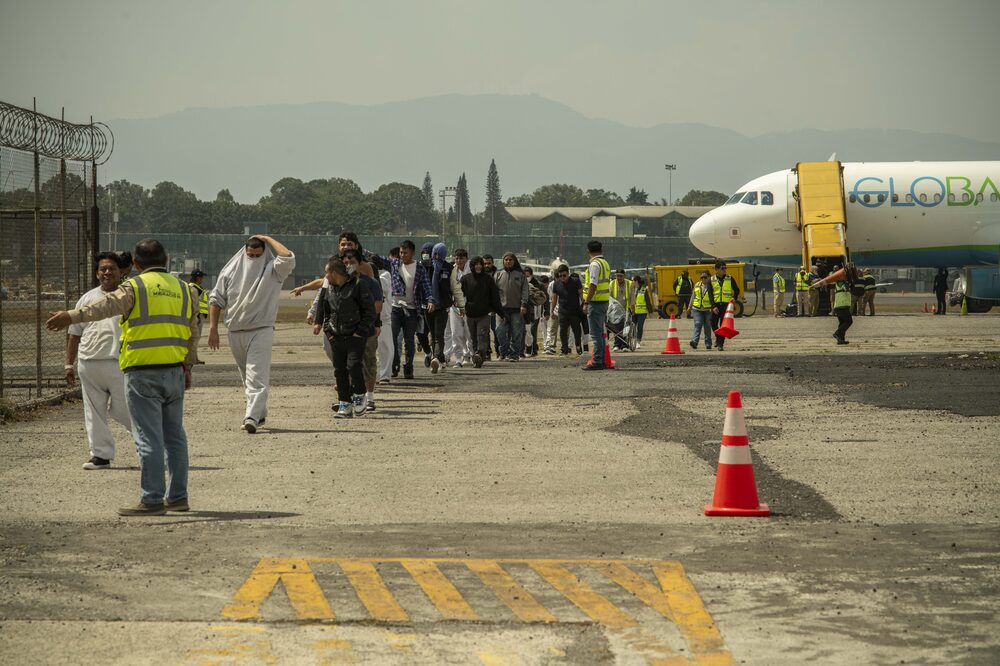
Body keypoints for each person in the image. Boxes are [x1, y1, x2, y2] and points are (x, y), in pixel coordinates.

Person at [46, 239, 198, 516]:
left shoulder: (135, 287)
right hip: (174, 371)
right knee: (175, 437)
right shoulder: (186, 289)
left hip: (142, 372)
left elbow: (102, 308)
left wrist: (69, 315)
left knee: (148, 438)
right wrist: (187, 367)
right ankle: (178, 497)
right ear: (167, 261)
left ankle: (152, 499)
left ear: (136, 265)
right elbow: (193, 331)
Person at [208, 235, 295, 434]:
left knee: (256, 374)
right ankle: (259, 412)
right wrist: (213, 329)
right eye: (251, 255)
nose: (254, 258)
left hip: (261, 329)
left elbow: (287, 256)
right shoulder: (230, 270)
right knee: (246, 376)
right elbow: (216, 300)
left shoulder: (273, 270)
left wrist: (266, 238)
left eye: (258, 254)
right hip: (235, 330)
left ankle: (251, 417)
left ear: (264, 253)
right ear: (244, 252)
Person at [64, 251, 134, 470]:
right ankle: (101, 456)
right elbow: (74, 333)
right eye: (102, 269)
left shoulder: (129, 296)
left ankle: (151, 446)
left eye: (111, 268)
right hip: (89, 362)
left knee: (126, 410)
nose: (107, 272)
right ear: (97, 274)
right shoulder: (87, 298)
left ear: (121, 271)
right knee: (93, 412)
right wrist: (69, 363)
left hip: (120, 363)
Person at [315, 257, 376, 418]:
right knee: (339, 371)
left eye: (327, 273)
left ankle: (360, 397)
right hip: (336, 337)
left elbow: (369, 312)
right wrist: (329, 332)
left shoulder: (358, 285)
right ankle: (344, 404)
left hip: (355, 336)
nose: (325, 276)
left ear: (334, 273)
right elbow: (326, 312)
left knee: (354, 366)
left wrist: (360, 331)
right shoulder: (329, 289)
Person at [385, 240, 433, 379]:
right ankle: (394, 365)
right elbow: (378, 259)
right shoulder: (394, 264)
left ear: (412, 253)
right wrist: (358, 249)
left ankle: (408, 367)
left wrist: (430, 300)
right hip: (396, 308)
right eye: (401, 252)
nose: (402, 255)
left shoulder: (419, 268)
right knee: (393, 337)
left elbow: (427, 286)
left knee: (409, 340)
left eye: (405, 253)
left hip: (412, 309)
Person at [342, 249, 384, 410]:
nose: (348, 266)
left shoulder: (371, 282)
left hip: (367, 330)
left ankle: (370, 396)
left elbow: (378, 306)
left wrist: (366, 320)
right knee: (350, 363)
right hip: (347, 331)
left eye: (352, 262)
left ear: (360, 264)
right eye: (345, 263)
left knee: (369, 362)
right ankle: (351, 397)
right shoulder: (342, 283)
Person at [460, 256, 503, 368]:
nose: (478, 266)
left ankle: (480, 353)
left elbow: (495, 296)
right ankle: (476, 358)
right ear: (472, 266)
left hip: (484, 314)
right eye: (476, 264)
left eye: (480, 264)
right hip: (470, 313)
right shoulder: (465, 279)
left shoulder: (488, 279)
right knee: (473, 338)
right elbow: (459, 294)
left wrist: (499, 312)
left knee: (482, 335)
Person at [428, 242, 465, 373]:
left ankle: (436, 358)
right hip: (427, 306)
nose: (436, 256)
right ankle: (441, 359)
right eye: (435, 253)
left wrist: (461, 305)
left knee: (439, 334)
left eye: (439, 254)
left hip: (442, 306)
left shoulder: (449, 268)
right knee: (432, 334)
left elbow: (456, 288)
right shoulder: (426, 266)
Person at [581, 240, 612, 370]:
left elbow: (593, 285)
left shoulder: (594, 264)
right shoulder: (604, 263)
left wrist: (586, 302)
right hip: (604, 301)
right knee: (599, 333)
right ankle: (602, 360)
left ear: (588, 251)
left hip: (596, 302)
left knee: (595, 334)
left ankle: (598, 361)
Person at [494, 252, 529, 362]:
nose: (508, 261)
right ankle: (503, 352)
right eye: (506, 260)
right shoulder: (498, 274)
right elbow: (493, 292)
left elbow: (525, 291)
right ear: (503, 261)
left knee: (517, 333)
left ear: (514, 261)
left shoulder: (520, 274)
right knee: (499, 331)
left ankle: (514, 355)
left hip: (517, 309)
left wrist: (523, 305)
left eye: (510, 260)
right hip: (501, 310)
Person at [444, 249, 472, 367]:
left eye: (461, 258)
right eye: (457, 258)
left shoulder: (471, 270)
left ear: (466, 258)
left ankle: (469, 354)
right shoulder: (452, 270)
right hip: (454, 306)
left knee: (469, 333)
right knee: (456, 333)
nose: (459, 260)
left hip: (469, 305)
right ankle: (458, 358)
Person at [551, 265, 584, 355]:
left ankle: (578, 346)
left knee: (576, 330)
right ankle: (564, 349)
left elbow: (581, 294)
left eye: (564, 275)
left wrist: (585, 305)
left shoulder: (575, 281)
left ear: (568, 273)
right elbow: (554, 299)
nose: (562, 278)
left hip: (574, 311)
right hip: (563, 311)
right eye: (560, 276)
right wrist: (552, 311)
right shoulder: (556, 284)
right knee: (563, 331)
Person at [709, 261, 741, 351]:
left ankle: (720, 344)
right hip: (715, 305)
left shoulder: (730, 278)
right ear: (716, 269)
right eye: (723, 268)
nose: (725, 270)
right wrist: (713, 306)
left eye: (725, 268)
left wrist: (734, 297)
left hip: (726, 306)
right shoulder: (711, 280)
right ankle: (718, 336)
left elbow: (737, 290)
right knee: (713, 323)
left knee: (723, 326)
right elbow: (710, 295)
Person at [687, 270, 716, 349]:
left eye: (705, 277)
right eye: (701, 277)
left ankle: (708, 344)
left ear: (709, 277)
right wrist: (689, 308)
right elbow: (693, 296)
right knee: (698, 324)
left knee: (707, 326)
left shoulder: (712, 286)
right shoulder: (697, 285)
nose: (703, 279)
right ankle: (694, 342)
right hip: (697, 309)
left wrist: (714, 307)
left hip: (708, 310)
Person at [189, 268, 209, 364]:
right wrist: (196, 316)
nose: (202, 279)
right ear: (197, 278)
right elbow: (194, 304)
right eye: (201, 277)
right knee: (195, 338)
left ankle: (194, 358)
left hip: (199, 316)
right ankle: (193, 359)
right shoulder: (194, 288)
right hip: (198, 316)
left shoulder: (196, 287)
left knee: (195, 338)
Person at [828, 266, 853, 344]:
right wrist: (848, 282)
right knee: (849, 321)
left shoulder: (839, 283)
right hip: (842, 305)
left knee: (842, 323)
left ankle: (840, 339)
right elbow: (847, 289)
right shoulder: (841, 283)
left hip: (839, 305)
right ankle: (837, 333)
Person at [610, 269, 631, 351]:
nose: (619, 278)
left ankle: (624, 345)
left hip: (626, 309)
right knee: (616, 327)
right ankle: (617, 345)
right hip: (615, 310)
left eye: (621, 276)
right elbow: (610, 297)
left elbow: (632, 297)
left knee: (625, 327)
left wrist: (632, 309)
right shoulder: (612, 284)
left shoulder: (629, 284)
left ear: (624, 276)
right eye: (617, 276)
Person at [631, 275, 652, 348]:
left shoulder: (644, 289)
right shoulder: (631, 289)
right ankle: (632, 340)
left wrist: (650, 312)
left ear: (636, 281)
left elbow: (648, 301)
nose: (632, 282)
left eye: (633, 280)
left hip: (642, 313)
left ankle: (638, 342)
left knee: (640, 327)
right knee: (632, 327)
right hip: (633, 312)